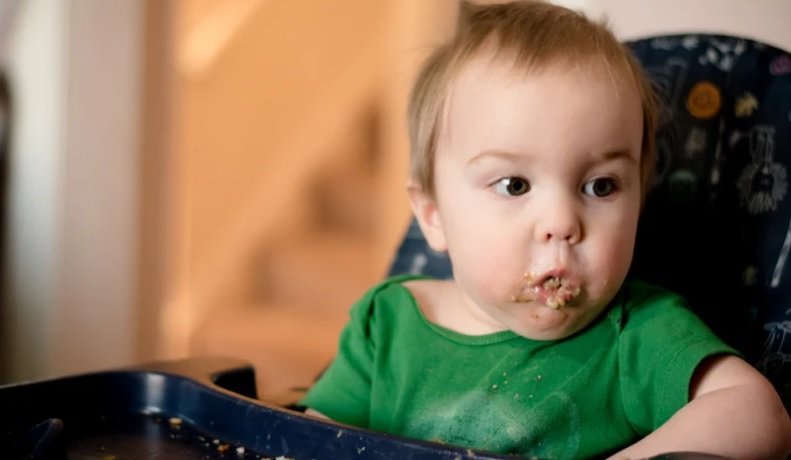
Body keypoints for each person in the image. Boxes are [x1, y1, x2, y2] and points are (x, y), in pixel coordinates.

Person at [300, 1, 791, 458]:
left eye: (601, 186)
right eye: (514, 185)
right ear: (433, 216)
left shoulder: (636, 334)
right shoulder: (385, 325)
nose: (561, 222)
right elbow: (304, 441)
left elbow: (758, 415)